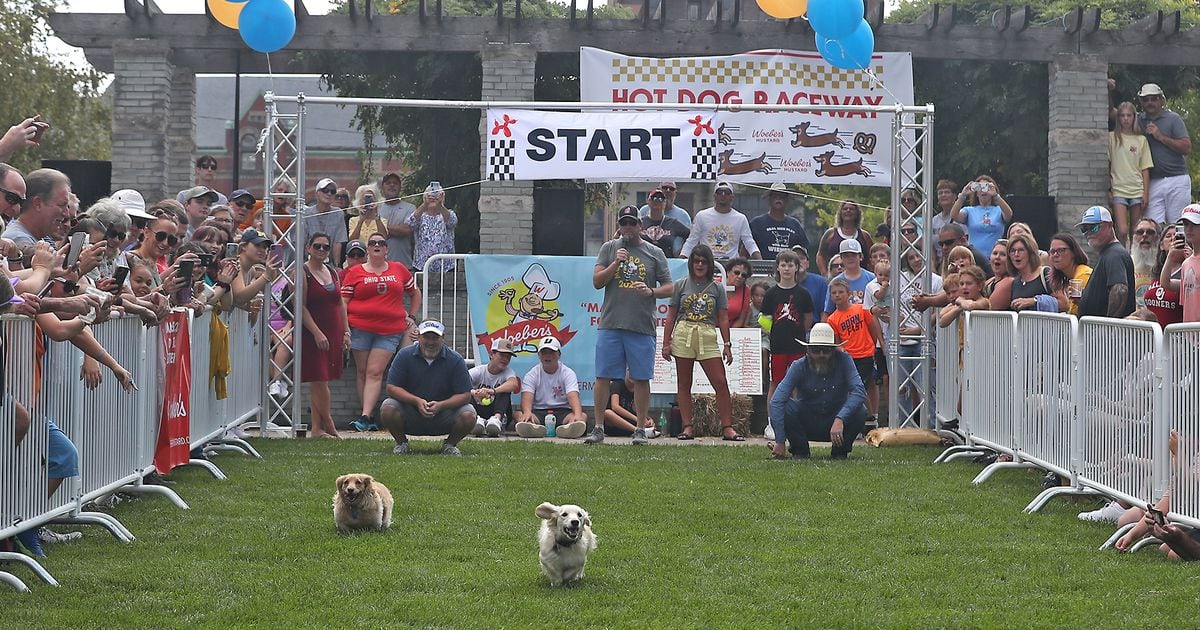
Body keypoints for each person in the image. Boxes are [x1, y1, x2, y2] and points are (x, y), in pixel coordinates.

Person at [584, 205, 673, 445]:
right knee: (602, 376)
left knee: (641, 378)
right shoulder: (609, 248)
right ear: (619, 227)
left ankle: (641, 429)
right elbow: (597, 282)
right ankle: (599, 427)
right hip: (611, 323)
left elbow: (669, 287)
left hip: (641, 325)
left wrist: (651, 290)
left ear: (640, 226)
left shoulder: (654, 252)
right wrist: (615, 264)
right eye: (624, 223)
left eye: (632, 223)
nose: (628, 227)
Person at [343, 234, 421, 432]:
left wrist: (412, 316)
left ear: (387, 249)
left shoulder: (399, 269)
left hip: (389, 330)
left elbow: (415, 292)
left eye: (381, 243)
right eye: (372, 243)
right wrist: (345, 328)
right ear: (367, 250)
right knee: (362, 372)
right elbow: (343, 302)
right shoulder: (354, 272)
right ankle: (367, 416)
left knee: (375, 371)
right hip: (360, 328)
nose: (377, 246)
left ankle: (365, 416)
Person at [662, 244, 739, 441]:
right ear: (691, 263)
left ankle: (727, 427)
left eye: (704, 261)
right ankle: (688, 426)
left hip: (706, 332)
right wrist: (666, 342)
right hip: (684, 331)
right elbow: (670, 316)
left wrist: (727, 345)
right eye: (696, 260)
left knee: (720, 382)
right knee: (684, 382)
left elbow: (722, 318)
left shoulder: (717, 288)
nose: (699, 264)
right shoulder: (680, 285)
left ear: (710, 264)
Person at [768, 322, 868, 460]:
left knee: (860, 411)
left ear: (834, 350)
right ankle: (799, 451)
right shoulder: (798, 366)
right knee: (786, 406)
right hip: (807, 420)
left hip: (836, 420)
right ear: (808, 350)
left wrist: (841, 418)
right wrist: (779, 441)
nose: (821, 355)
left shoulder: (845, 360)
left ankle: (840, 452)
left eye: (826, 350)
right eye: (816, 350)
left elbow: (859, 391)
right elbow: (776, 401)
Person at [378, 320, 474, 456]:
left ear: (443, 338)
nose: (430, 342)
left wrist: (441, 405)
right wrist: (416, 401)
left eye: (435, 337)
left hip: (444, 414)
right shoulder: (404, 355)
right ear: (418, 337)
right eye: (426, 337)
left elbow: (465, 395)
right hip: (411, 412)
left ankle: (450, 445)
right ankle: (402, 444)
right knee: (388, 407)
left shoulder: (455, 359)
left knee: (469, 413)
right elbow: (392, 388)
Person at [299, 232, 349, 439]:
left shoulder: (333, 272)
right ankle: (329, 425)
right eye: (317, 246)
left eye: (325, 247)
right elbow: (299, 307)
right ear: (308, 248)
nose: (321, 250)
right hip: (313, 332)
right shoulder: (302, 272)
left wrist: (346, 331)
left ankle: (317, 429)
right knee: (319, 379)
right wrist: (317, 332)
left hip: (334, 330)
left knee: (324, 380)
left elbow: (340, 303)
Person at [760, 247, 816, 410]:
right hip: (777, 347)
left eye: (790, 265)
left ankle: (797, 419)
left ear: (797, 268)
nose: (786, 268)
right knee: (775, 382)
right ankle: (772, 421)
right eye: (783, 265)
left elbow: (808, 318)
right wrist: (775, 332)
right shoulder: (771, 293)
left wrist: (799, 333)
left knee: (797, 384)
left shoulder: (803, 293)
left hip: (797, 346)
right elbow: (765, 319)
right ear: (777, 267)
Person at [1134, 83, 1192, 225]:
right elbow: (1115, 114)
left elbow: (1186, 147)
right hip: (1153, 181)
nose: (1150, 103)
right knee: (1153, 226)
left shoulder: (1173, 118)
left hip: (1177, 179)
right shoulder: (1138, 119)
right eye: (1146, 99)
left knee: (1178, 225)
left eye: (1154, 99)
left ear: (1161, 100)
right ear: (1141, 102)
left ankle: (1180, 248)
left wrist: (1160, 136)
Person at [514, 337, 588, 439]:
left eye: (552, 352)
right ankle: (533, 428)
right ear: (539, 355)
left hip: (563, 412)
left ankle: (569, 429)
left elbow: (573, 396)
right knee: (519, 415)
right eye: (544, 352)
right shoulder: (532, 374)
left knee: (582, 416)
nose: (548, 356)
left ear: (559, 355)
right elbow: (526, 398)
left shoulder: (568, 373)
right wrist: (527, 413)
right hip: (539, 412)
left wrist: (577, 415)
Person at [1075, 206, 1135, 318]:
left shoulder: (1114, 254)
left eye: (1094, 227)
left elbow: (1120, 289)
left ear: (1110, 226)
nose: (1088, 233)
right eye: (1084, 229)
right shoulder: (1108, 253)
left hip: (1106, 333)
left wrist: (1107, 326)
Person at [1109, 101, 1154, 243]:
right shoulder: (1111, 138)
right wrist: (1107, 190)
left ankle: (1134, 260)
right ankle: (1122, 256)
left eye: (1129, 115)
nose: (1126, 119)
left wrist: (1146, 193)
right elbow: (1107, 165)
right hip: (1118, 188)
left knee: (1136, 230)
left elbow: (1145, 168)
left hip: (1137, 189)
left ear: (1134, 117)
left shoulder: (1141, 140)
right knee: (1122, 230)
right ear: (1118, 118)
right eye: (1122, 115)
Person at [679, 181, 760, 260]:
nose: (723, 195)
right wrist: (680, 260)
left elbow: (749, 242)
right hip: (707, 263)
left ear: (732, 197)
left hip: (731, 264)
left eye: (727, 192)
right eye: (719, 192)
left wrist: (761, 260)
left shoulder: (741, 218)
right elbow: (691, 241)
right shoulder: (701, 216)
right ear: (714, 196)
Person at [468, 338, 520, 437]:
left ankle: (496, 420)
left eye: (508, 357)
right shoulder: (479, 371)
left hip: (500, 412)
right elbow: (460, 384)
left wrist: (492, 391)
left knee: (505, 389)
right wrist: (475, 393)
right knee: (466, 394)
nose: (505, 359)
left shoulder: (508, 372)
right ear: (491, 354)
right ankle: (476, 420)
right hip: (478, 410)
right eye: (502, 355)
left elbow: (514, 384)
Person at [951, 175, 1012, 258]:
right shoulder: (969, 210)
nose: (983, 191)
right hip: (974, 257)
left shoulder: (999, 210)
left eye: (986, 187)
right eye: (979, 187)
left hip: (995, 257)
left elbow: (1009, 214)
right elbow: (954, 215)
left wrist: (996, 195)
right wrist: (963, 195)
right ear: (976, 193)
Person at [1005, 233, 1065, 313]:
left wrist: (1034, 301)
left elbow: (1064, 304)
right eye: (1012, 251)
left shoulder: (1045, 274)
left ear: (1030, 252)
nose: (1016, 254)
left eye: (1021, 250)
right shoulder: (1015, 281)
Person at [1160, 203, 1200, 322]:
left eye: (1194, 225)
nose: (1189, 229)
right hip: (1188, 333)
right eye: (1186, 225)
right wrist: (1170, 257)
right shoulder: (1186, 263)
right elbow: (1166, 284)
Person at [405, 182, 457, 273]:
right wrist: (425, 204)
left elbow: (452, 222)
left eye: (436, 194)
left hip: (446, 267)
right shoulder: (420, 215)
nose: (433, 197)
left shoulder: (447, 214)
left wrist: (439, 205)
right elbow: (410, 223)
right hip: (421, 266)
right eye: (430, 194)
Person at [750, 183, 809, 260]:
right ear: (769, 199)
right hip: (763, 270)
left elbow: (803, 253)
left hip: (788, 270)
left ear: (787, 200)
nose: (778, 199)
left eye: (782, 196)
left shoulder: (795, 224)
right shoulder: (757, 223)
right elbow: (745, 251)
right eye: (774, 196)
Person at [1141, 223, 1183, 326]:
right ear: (1161, 245)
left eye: (1177, 235)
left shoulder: (1188, 270)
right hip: (1154, 335)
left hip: (1177, 336)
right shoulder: (1156, 271)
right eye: (1168, 236)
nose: (1173, 239)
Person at [816, 199, 873, 276]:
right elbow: (820, 255)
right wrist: (825, 274)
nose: (848, 210)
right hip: (835, 280)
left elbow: (871, 258)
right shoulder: (831, 233)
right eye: (845, 209)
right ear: (840, 213)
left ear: (857, 214)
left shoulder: (864, 236)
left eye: (851, 209)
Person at [302, 178, 350, 265]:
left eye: (332, 191)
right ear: (317, 193)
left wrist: (336, 265)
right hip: (307, 261)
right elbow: (302, 242)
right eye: (325, 190)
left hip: (328, 261)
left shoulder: (338, 213)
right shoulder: (306, 213)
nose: (329, 194)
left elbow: (337, 243)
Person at [823, 239, 876, 315]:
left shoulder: (872, 278)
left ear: (860, 256)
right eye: (846, 256)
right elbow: (828, 311)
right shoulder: (835, 282)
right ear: (841, 258)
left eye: (853, 255)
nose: (850, 258)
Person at [377, 171, 417, 270]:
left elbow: (406, 230)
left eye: (395, 183)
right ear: (382, 187)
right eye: (388, 183)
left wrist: (384, 228)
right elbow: (376, 234)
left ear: (400, 186)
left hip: (404, 265)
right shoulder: (376, 208)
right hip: (379, 266)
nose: (392, 185)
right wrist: (396, 229)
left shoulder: (410, 208)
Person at [639, 183, 692, 256]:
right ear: (648, 201)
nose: (657, 202)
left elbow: (692, 237)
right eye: (654, 199)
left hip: (668, 263)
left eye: (661, 199)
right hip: (644, 262)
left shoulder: (673, 223)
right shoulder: (640, 222)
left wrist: (683, 254)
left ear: (664, 203)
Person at [1047, 233, 1092, 316]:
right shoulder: (1070, 277)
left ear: (1073, 253)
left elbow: (1076, 312)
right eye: (1052, 252)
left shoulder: (1082, 276)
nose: (1055, 255)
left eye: (1061, 250)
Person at [792, 245, 828, 323]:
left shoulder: (820, 282)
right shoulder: (784, 283)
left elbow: (824, 312)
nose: (798, 262)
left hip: (814, 330)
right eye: (795, 259)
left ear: (808, 263)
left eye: (801, 258)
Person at [724, 257, 753, 328]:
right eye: (736, 273)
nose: (740, 276)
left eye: (743, 275)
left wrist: (729, 335)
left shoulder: (746, 290)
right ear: (728, 272)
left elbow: (741, 318)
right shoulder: (714, 285)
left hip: (733, 330)